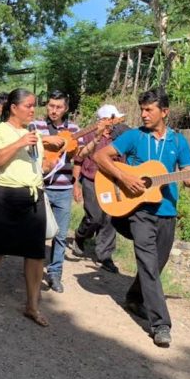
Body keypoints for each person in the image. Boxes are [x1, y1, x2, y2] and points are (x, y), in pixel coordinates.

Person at [94, 89, 190, 347]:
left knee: (156, 265)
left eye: (149, 110)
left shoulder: (178, 142)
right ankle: (161, 324)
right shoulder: (134, 136)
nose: (143, 114)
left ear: (164, 112)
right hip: (139, 211)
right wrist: (124, 177)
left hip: (167, 212)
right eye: (142, 109)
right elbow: (100, 156)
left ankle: (134, 298)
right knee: (149, 265)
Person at [0, 88, 52, 327]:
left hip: (33, 195)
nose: (33, 110)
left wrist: (48, 165)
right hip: (6, 195)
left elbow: (37, 163)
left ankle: (32, 305)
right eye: (28, 105)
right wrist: (19, 143)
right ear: (13, 107)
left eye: (34, 105)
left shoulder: (35, 133)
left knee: (36, 253)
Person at [32, 91, 82, 293]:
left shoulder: (74, 129)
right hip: (40, 187)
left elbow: (80, 155)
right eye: (51, 106)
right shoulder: (37, 126)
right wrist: (47, 139)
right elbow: (28, 141)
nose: (54, 110)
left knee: (60, 234)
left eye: (58, 107)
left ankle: (55, 274)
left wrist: (95, 140)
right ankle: (33, 271)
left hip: (63, 189)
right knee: (36, 232)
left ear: (66, 108)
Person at [72, 104, 129, 273]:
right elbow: (78, 160)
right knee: (95, 217)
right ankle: (80, 235)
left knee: (111, 216)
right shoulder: (88, 136)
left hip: (112, 181)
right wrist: (75, 185)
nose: (118, 120)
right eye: (114, 118)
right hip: (91, 180)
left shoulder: (120, 136)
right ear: (105, 120)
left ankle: (105, 256)